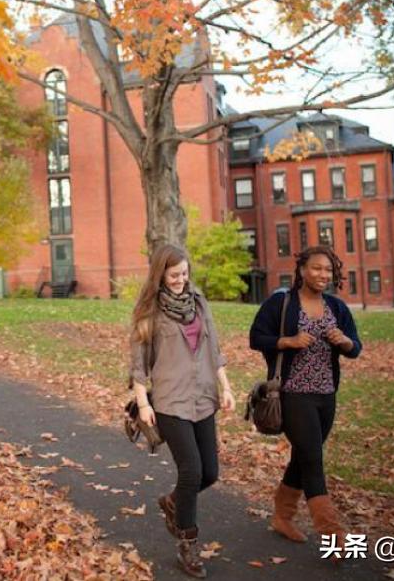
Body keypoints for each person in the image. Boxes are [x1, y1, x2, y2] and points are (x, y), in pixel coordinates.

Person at [129, 244, 234, 579]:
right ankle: (188, 545)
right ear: (160, 274)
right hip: (170, 401)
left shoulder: (199, 302)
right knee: (191, 471)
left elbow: (214, 348)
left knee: (210, 473)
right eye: (174, 275)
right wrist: (143, 403)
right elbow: (138, 364)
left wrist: (226, 386)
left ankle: (174, 501)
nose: (180, 280)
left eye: (185, 274)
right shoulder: (149, 311)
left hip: (203, 397)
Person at [249, 246, 362, 552]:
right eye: (316, 268)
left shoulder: (336, 308)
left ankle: (282, 517)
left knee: (304, 456)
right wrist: (288, 341)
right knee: (312, 458)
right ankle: (333, 535)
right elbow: (256, 337)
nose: (323, 275)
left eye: (328, 270)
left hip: (326, 395)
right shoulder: (282, 302)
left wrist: (345, 341)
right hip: (293, 393)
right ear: (301, 270)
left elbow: (356, 348)